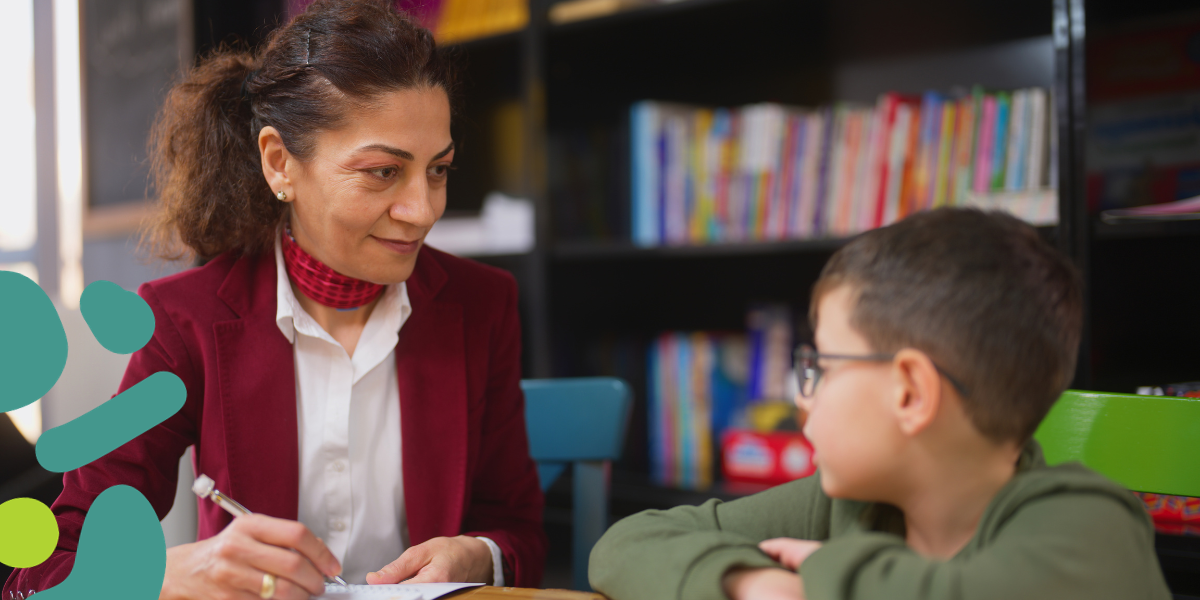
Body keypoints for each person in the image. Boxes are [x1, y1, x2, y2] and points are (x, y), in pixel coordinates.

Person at [3, 1, 546, 598]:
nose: (423, 211)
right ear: (280, 163)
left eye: (437, 171)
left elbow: (519, 531)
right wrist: (164, 574)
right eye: (382, 173)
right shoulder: (186, 320)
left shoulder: (483, 304)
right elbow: (43, 570)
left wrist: (480, 555)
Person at [589, 208, 1171, 600]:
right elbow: (626, 544)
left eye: (820, 366)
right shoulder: (849, 503)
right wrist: (753, 582)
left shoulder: (1094, 523)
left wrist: (822, 573)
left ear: (910, 392)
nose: (800, 396)